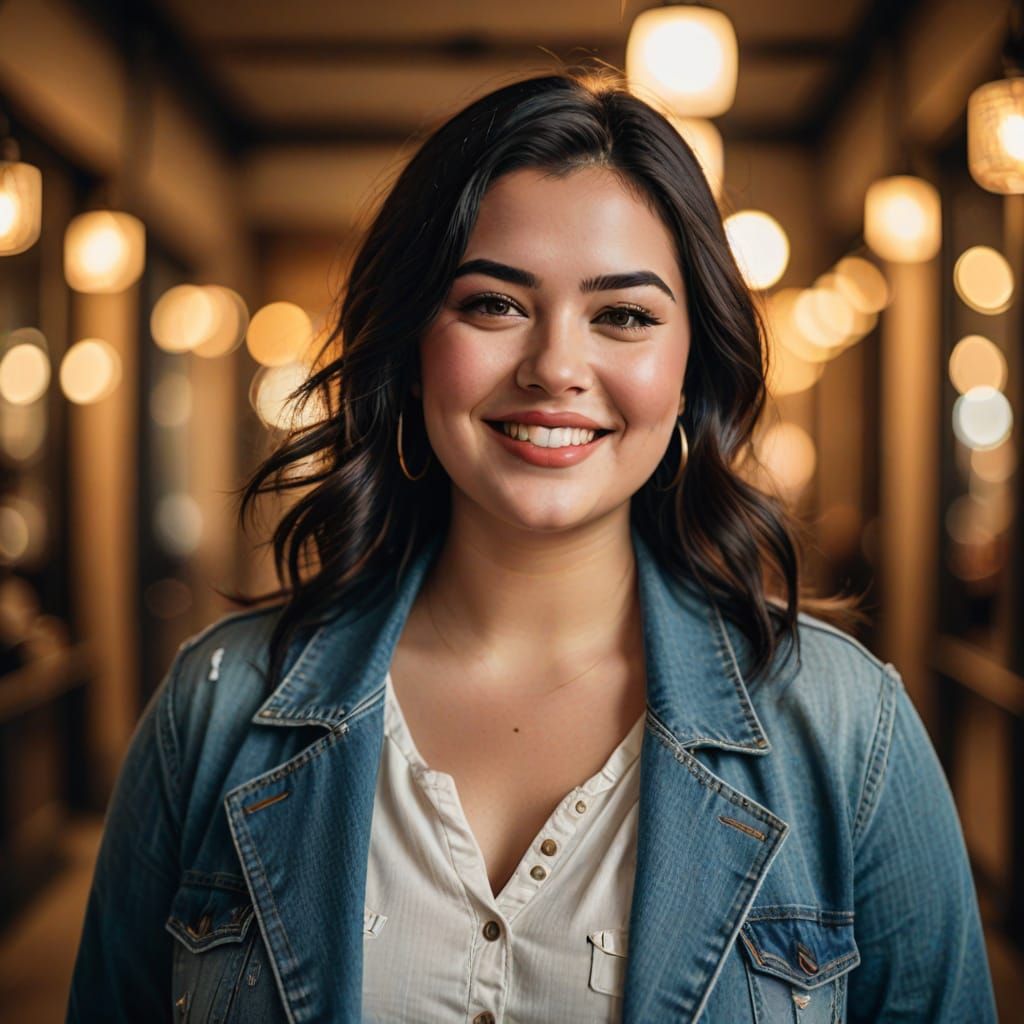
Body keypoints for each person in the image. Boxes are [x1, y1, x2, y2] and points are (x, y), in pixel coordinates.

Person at [66, 66, 997, 1023]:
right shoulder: (217, 709)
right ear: (412, 343)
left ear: (690, 368)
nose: (555, 366)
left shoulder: (846, 728)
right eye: (494, 304)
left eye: (624, 316)